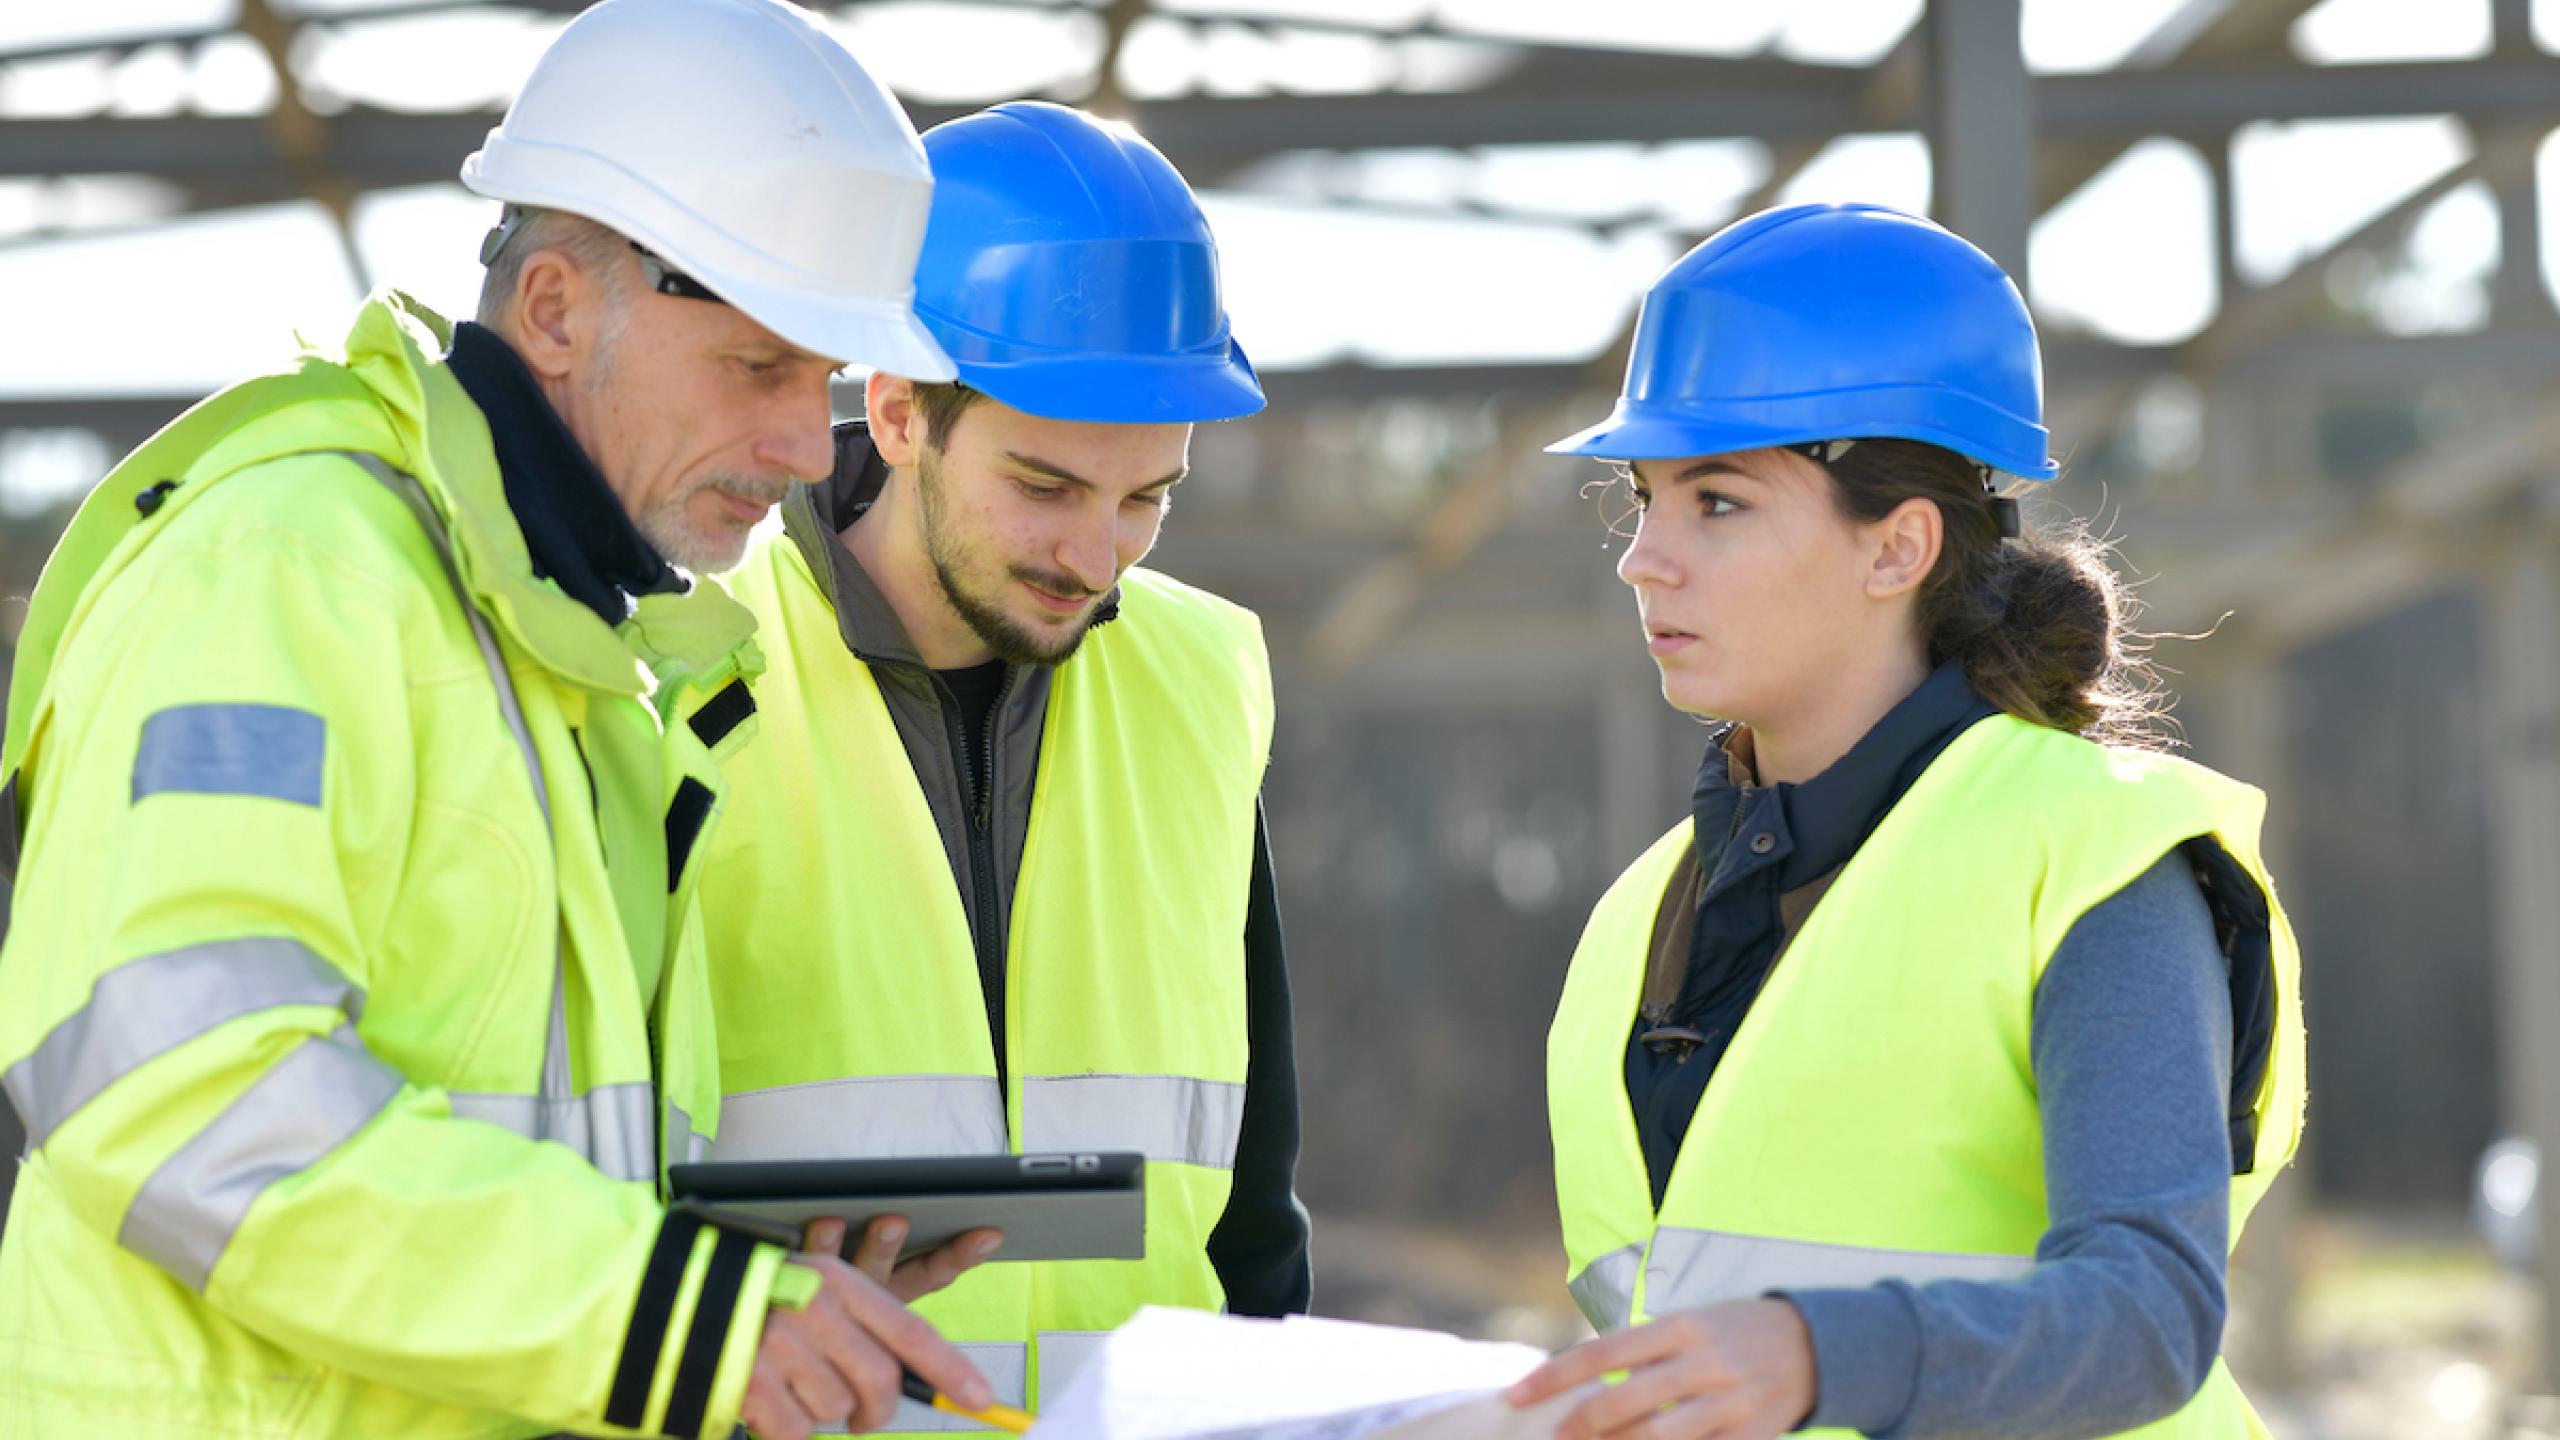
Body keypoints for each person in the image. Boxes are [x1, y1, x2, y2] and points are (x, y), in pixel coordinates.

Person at [0, 2, 996, 1436]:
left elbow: (500, 1140)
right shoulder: (292, 572)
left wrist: (742, 1277)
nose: (800, 450)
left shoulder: (573, 654)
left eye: (824, 382)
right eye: (759, 368)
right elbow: (172, 1092)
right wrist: (669, 1312)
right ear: (552, 308)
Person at [1503, 202, 2307, 1440]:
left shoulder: (2092, 861)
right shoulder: (1636, 918)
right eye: (1644, 499)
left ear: (1898, 549)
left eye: (1715, 502)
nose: (1644, 558)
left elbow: (2148, 1312)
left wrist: (1816, 1352)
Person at [689, 99, 1310, 1426]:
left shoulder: (1197, 683)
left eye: (1148, 497)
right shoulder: (674, 670)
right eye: (1046, 486)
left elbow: (1253, 1206)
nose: (1100, 558)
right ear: (902, 410)